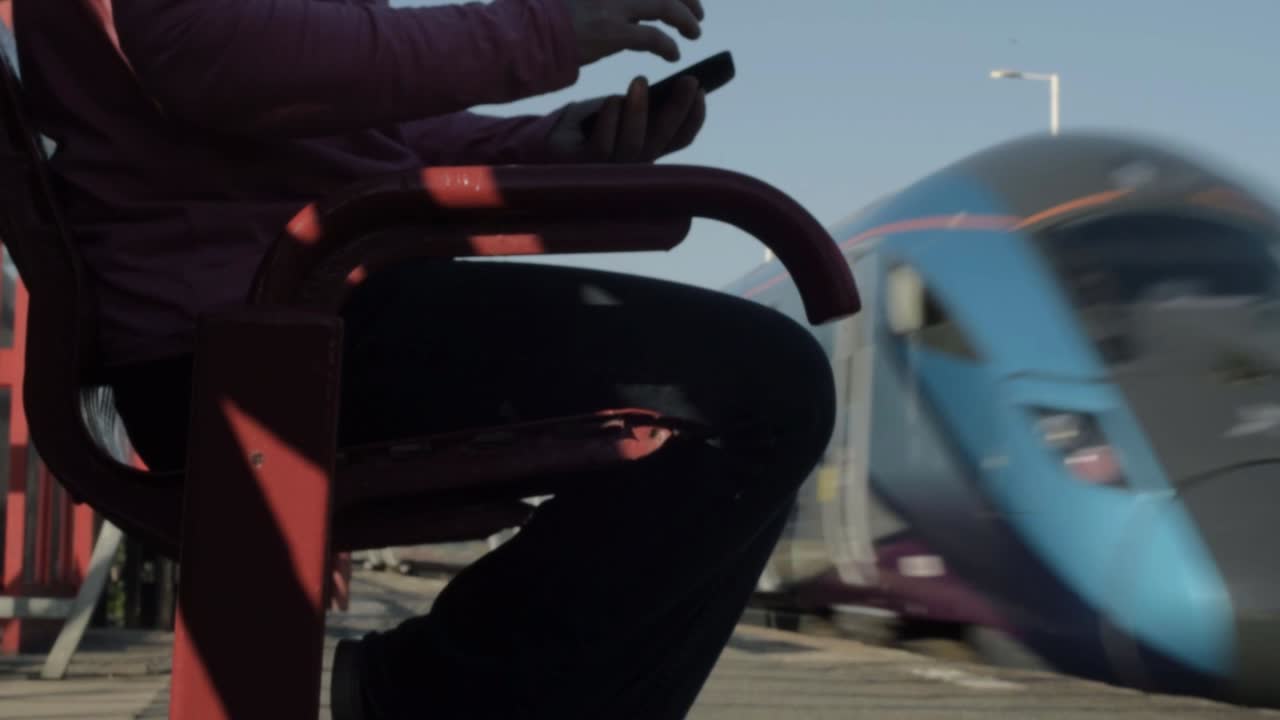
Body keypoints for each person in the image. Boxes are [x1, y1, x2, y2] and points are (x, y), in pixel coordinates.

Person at [13, 1, 838, 718]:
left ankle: (427, 693)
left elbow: (334, 136)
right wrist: (543, 29)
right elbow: (197, 49)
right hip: (256, 337)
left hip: (285, 307)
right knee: (761, 391)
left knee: (760, 389)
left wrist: (550, 143)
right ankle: (424, 695)